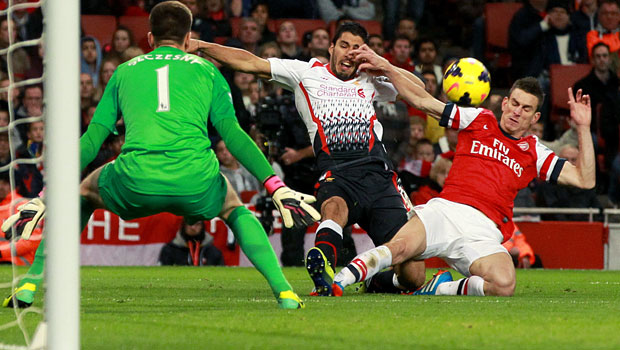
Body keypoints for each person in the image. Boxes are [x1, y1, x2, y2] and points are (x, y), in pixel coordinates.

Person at [3, 1, 318, 310]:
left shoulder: (124, 71)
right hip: (195, 182)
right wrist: (275, 185)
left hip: (135, 181)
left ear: (149, 38)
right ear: (187, 38)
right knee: (234, 207)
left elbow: (92, 138)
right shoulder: (209, 71)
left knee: (85, 191)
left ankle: (31, 282)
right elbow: (233, 136)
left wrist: (47, 194)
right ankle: (285, 293)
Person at [332, 44, 595, 297]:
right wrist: (386, 66)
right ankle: (340, 280)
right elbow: (423, 101)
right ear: (504, 103)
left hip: (483, 231)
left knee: (504, 285)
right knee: (399, 248)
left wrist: (583, 128)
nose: (517, 111)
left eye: (526, 109)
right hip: (445, 211)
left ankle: (438, 289)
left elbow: (585, 180)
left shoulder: (534, 151)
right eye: (514, 103)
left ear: (535, 118)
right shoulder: (479, 119)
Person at [192, 22, 427, 296]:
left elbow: (418, 88)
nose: (350, 53)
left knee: (414, 275)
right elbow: (251, 62)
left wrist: (383, 65)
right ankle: (323, 267)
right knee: (334, 209)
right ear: (331, 48)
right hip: (338, 173)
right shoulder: (306, 72)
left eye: (357, 48)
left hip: (380, 177)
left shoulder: (371, 79)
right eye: (344, 45)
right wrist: (202, 46)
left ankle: (377, 282)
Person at [159, 220, 224, 266]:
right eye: (190, 223)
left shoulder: (213, 252)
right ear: (184, 225)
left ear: (202, 226)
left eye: (197, 224)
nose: (193, 227)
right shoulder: (170, 250)